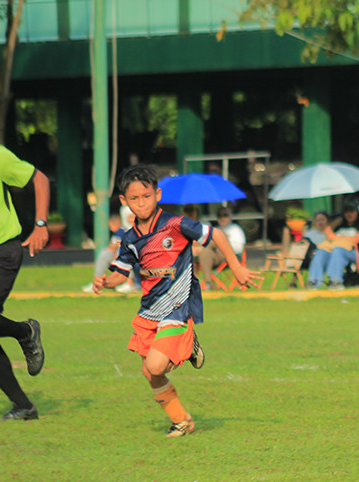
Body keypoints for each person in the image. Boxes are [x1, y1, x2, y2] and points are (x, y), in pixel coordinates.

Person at [93, 164, 261, 437]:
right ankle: (182, 420)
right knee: (151, 374)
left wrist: (238, 269)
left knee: (155, 365)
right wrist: (105, 281)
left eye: (146, 196)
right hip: (150, 310)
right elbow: (121, 273)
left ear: (157, 194)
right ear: (124, 201)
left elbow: (215, 234)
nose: (141, 203)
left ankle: (187, 344)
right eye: (133, 199)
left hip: (178, 307)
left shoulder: (175, 224)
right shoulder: (130, 238)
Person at [0, 145, 48, 421]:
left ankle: (24, 332)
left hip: (2, 251)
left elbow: (40, 179)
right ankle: (23, 406)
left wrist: (40, 224)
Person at [307, 204, 359, 290]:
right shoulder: (340, 226)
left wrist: (337, 239)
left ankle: (335, 280)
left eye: (352, 212)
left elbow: (357, 239)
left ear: (356, 213)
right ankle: (314, 281)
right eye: (347, 212)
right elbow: (329, 235)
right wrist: (336, 222)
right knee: (321, 252)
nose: (349, 214)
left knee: (338, 250)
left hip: (354, 253)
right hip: (336, 252)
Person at [82, 212, 137, 293]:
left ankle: (130, 284)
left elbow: (114, 246)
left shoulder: (123, 231)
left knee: (126, 257)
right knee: (105, 254)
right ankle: (97, 282)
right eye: (130, 217)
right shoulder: (122, 230)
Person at [196, 207, 246, 290]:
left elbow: (239, 249)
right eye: (219, 216)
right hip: (215, 258)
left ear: (230, 216)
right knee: (205, 251)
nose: (222, 218)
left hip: (230, 258)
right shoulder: (215, 229)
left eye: (225, 215)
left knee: (211, 241)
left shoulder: (236, 229)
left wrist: (224, 241)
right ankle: (208, 283)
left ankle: (207, 283)